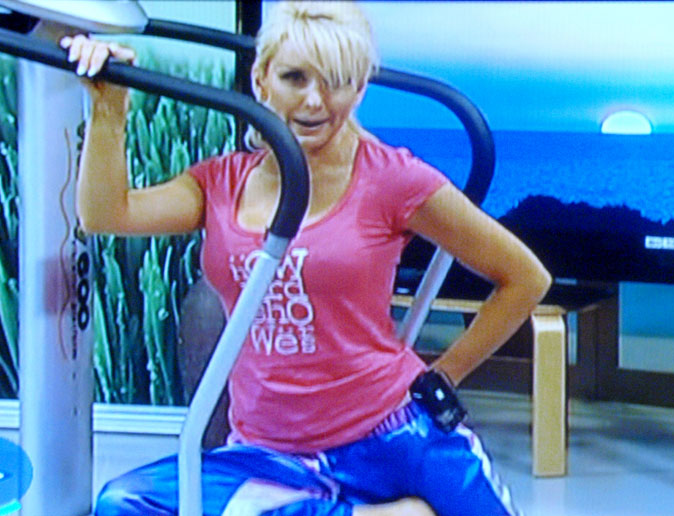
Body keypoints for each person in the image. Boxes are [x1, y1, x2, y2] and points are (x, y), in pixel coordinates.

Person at [61, 2, 551, 515]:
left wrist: (443, 377)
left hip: (391, 435)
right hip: (269, 453)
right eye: (295, 77)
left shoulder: (392, 179)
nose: (315, 100)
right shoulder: (222, 183)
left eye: (337, 81)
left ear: (358, 91)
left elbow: (524, 277)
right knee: (124, 504)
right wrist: (109, 108)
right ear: (261, 80)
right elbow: (107, 213)